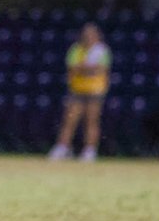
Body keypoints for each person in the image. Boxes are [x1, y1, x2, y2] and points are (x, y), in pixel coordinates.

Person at [48, 22, 112, 162]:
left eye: (91, 34)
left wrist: (84, 68)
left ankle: (90, 151)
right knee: (69, 120)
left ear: (97, 36)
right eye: (86, 34)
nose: (88, 37)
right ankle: (62, 148)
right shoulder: (76, 49)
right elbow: (73, 68)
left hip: (95, 90)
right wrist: (89, 69)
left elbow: (101, 70)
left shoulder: (101, 51)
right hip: (77, 90)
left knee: (91, 121)